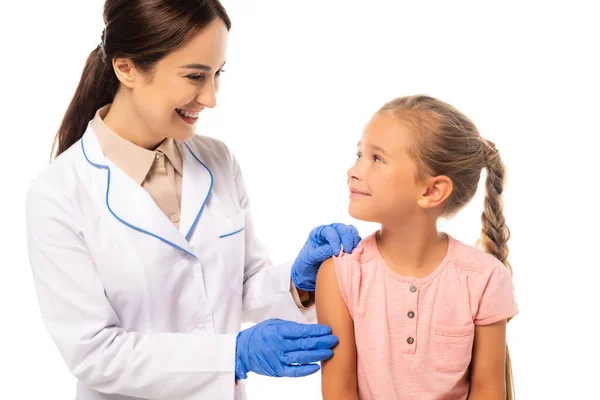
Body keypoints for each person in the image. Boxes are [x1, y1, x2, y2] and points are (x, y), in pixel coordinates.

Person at [25, 1, 361, 399]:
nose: (211, 97)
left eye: (217, 74)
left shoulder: (217, 160)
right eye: (194, 76)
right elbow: (94, 353)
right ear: (126, 68)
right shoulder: (59, 193)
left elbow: (242, 284)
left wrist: (297, 284)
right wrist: (230, 355)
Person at [316, 95, 519, 400]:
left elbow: (488, 390)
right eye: (359, 154)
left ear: (431, 190)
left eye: (376, 158)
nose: (353, 171)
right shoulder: (340, 275)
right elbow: (339, 392)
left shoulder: (484, 278)